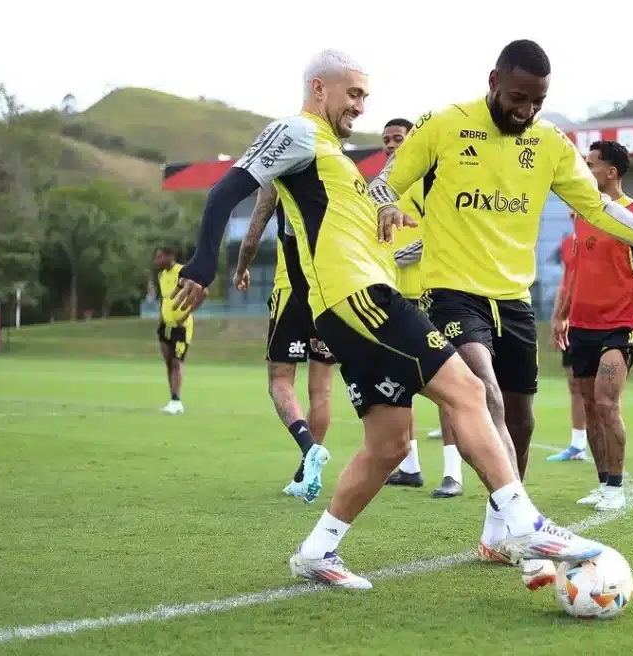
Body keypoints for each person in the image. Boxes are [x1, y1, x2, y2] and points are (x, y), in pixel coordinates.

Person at [171, 48, 610, 590]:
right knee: (469, 392)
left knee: (390, 442)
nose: (362, 105)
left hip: (348, 306)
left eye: (365, 95)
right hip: (362, 301)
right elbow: (226, 189)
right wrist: (202, 261)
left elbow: (321, 232)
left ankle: (317, 551)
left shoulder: (332, 153)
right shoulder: (298, 131)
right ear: (318, 89)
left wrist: (387, 218)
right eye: (352, 93)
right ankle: (523, 523)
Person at [369, 39, 633, 566]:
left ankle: (497, 533)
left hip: (513, 299)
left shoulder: (550, 144)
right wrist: (386, 207)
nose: (526, 110)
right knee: (482, 391)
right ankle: (525, 521)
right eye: (517, 97)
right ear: (493, 81)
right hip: (450, 293)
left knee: (522, 420)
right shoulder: (443, 126)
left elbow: (601, 210)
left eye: (537, 101)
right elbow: (381, 184)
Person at [552, 140, 633, 510]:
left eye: (591, 165)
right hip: (581, 326)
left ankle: (615, 489)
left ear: (610, 172)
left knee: (607, 402)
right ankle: (603, 484)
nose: (585, 170)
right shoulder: (583, 213)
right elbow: (576, 274)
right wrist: (562, 315)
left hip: (619, 326)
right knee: (588, 404)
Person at [381, 117, 465, 499]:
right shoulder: (383, 190)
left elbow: (437, 234)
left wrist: (395, 257)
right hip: (392, 299)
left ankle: (453, 472)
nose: (391, 145)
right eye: (386, 140)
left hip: (429, 296)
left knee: (447, 386)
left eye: (398, 138)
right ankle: (410, 465)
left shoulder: (430, 180)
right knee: (399, 384)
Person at [234, 186, 335, 503]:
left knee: (279, 381)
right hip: (328, 292)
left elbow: (255, 229)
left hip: (291, 288)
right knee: (322, 389)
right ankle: (305, 474)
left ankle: (310, 450)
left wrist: (241, 267)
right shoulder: (337, 170)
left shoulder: (283, 170)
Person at [547, 228, 588, 462]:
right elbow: (565, 282)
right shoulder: (568, 243)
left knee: (595, 387)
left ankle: (600, 441)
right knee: (574, 384)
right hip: (569, 320)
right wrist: (557, 318)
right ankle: (577, 444)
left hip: (591, 320)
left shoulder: (597, 238)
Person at [154, 247, 193, 415]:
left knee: (177, 362)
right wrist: (161, 318)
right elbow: (164, 299)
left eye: (160, 257)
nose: (157, 260)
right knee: (169, 363)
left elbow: (201, 293)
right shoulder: (161, 276)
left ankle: (177, 401)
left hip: (181, 327)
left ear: (170, 256)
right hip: (165, 325)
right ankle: (173, 399)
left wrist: (184, 316)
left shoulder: (183, 272)